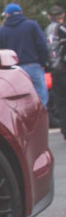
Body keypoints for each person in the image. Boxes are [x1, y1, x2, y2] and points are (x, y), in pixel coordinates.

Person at [0, 3, 49, 105]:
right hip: (33, 66)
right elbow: (42, 46)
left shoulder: (1, 32)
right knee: (40, 100)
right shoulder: (32, 26)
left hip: (13, 71)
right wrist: (43, 63)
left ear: (7, 15)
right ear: (21, 13)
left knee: (20, 103)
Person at [50, 10, 66, 141]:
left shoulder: (48, 30)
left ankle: (65, 130)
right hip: (63, 67)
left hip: (54, 69)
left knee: (61, 103)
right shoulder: (62, 28)